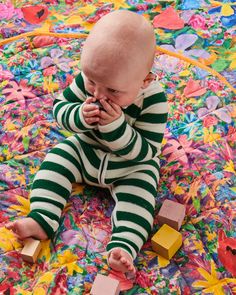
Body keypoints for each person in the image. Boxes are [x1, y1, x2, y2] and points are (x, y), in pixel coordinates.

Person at [6, 10, 168, 274]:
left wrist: (116, 128)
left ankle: (123, 246)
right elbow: (60, 109)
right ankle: (42, 218)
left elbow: (147, 151)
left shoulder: (153, 100)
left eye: (113, 91)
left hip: (130, 167)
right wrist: (78, 116)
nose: (98, 94)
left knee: (142, 198)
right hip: (86, 150)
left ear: (144, 81)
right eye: (92, 82)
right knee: (57, 159)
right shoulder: (93, 79)